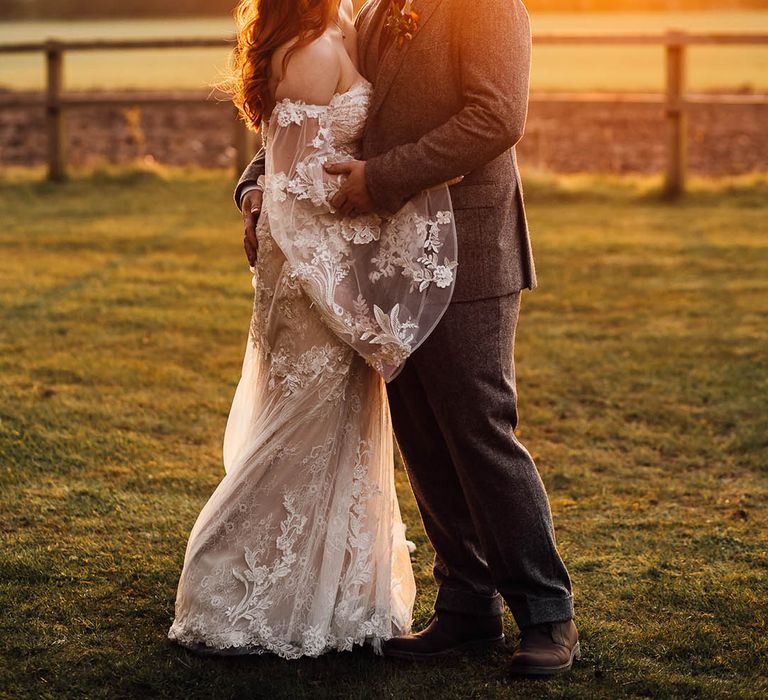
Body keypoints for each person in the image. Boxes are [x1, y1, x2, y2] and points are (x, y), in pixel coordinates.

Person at [237, 0, 580, 676]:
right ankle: (466, 605)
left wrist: (381, 180)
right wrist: (254, 185)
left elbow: (495, 117)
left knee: (478, 425)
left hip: (471, 249)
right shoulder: (370, 9)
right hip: (385, 259)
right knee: (420, 428)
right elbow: (313, 112)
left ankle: (548, 613)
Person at [169, 0, 459, 659]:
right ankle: (231, 593)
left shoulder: (339, 26)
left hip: (331, 261)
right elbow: (296, 188)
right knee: (298, 426)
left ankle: (336, 601)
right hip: (310, 272)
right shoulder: (307, 51)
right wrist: (346, 296)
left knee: (340, 429)